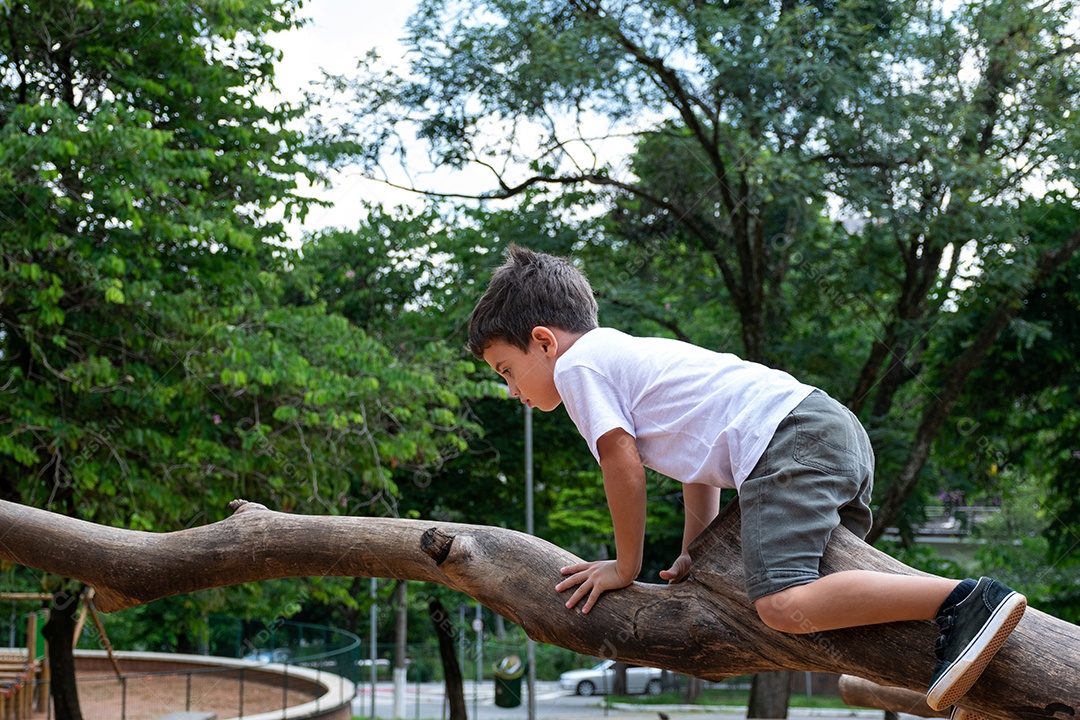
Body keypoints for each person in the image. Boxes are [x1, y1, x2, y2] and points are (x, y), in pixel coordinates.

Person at [467, 245, 1027, 711]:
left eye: (507, 371)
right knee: (828, 605)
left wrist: (625, 566)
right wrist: (694, 552)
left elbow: (622, 467)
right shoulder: (628, 359)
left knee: (781, 603)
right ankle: (959, 653)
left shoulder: (579, 366)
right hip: (825, 433)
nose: (512, 391)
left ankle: (970, 599)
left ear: (544, 341)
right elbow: (699, 465)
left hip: (792, 442)